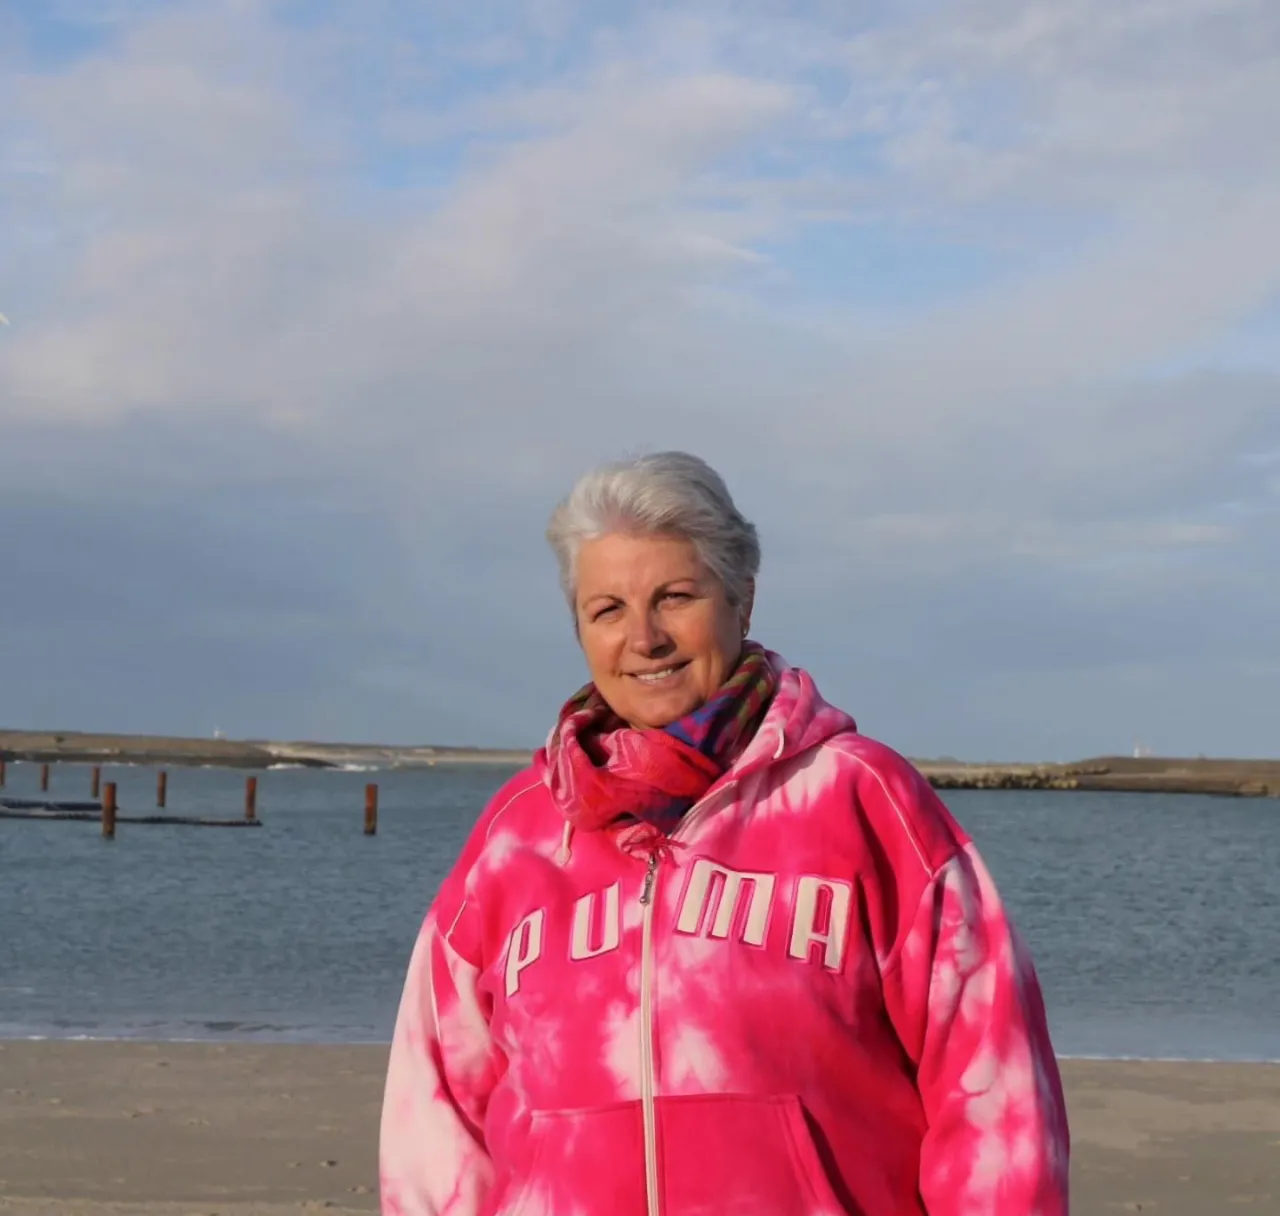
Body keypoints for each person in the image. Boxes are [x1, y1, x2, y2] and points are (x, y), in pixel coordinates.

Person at [380, 451, 1070, 1216]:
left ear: (741, 598)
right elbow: (436, 1114)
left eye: (675, 597)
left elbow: (994, 1091)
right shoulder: (517, 838)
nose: (644, 638)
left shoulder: (862, 802)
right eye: (607, 609)